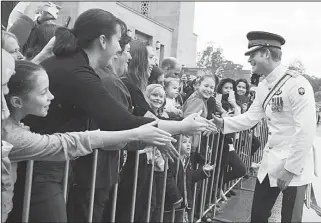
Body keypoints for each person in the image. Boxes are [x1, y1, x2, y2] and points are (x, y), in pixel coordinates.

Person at [20, 9, 213, 223]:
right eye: (119, 41)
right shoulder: (78, 73)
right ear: (103, 40)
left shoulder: (74, 65)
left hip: (48, 163)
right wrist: (182, 127)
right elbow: (123, 122)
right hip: (40, 167)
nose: (121, 50)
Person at [213, 31, 316, 222]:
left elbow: (306, 131)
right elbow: (252, 117)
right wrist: (225, 123)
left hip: (294, 165)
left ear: (266, 54)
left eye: (252, 54)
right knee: (258, 216)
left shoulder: (297, 84)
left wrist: (291, 169)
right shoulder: (263, 86)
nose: (249, 59)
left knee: (290, 219)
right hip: (271, 162)